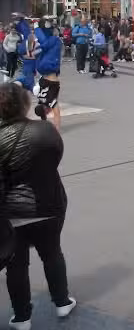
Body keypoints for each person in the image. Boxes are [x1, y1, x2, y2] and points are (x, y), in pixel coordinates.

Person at [0, 83, 76, 329]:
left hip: (12, 212)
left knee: (16, 265)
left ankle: (22, 317)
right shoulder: (46, 129)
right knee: (52, 254)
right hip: (49, 205)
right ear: (24, 104)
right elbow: (55, 157)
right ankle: (62, 302)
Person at [34, 17, 63, 130]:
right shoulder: (42, 100)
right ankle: (42, 27)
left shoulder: (48, 101)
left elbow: (56, 113)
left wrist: (56, 130)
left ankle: (43, 27)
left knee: (48, 42)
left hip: (50, 81)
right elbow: (55, 113)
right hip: (46, 80)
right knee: (50, 42)